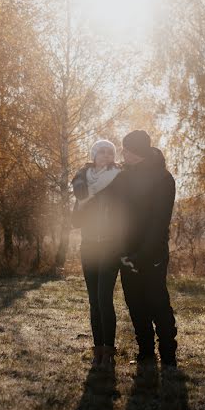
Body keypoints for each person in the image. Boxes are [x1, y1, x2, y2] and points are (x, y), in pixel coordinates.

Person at [104, 130, 178, 367]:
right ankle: (145, 351)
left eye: (126, 149)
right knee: (134, 302)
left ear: (138, 152)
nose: (122, 152)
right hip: (126, 252)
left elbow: (159, 222)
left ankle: (168, 354)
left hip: (152, 253)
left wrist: (143, 255)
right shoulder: (123, 177)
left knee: (157, 302)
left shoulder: (163, 179)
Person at [71, 139, 124, 367]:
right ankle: (98, 351)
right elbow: (75, 221)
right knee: (94, 301)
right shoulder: (84, 184)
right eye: (101, 152)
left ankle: (109, 353)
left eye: (109, 152)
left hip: (110, 246)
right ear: (93, 155)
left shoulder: (118, 179)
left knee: (104, 299)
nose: (105, 155)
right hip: (89, 246)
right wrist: (82, 205)